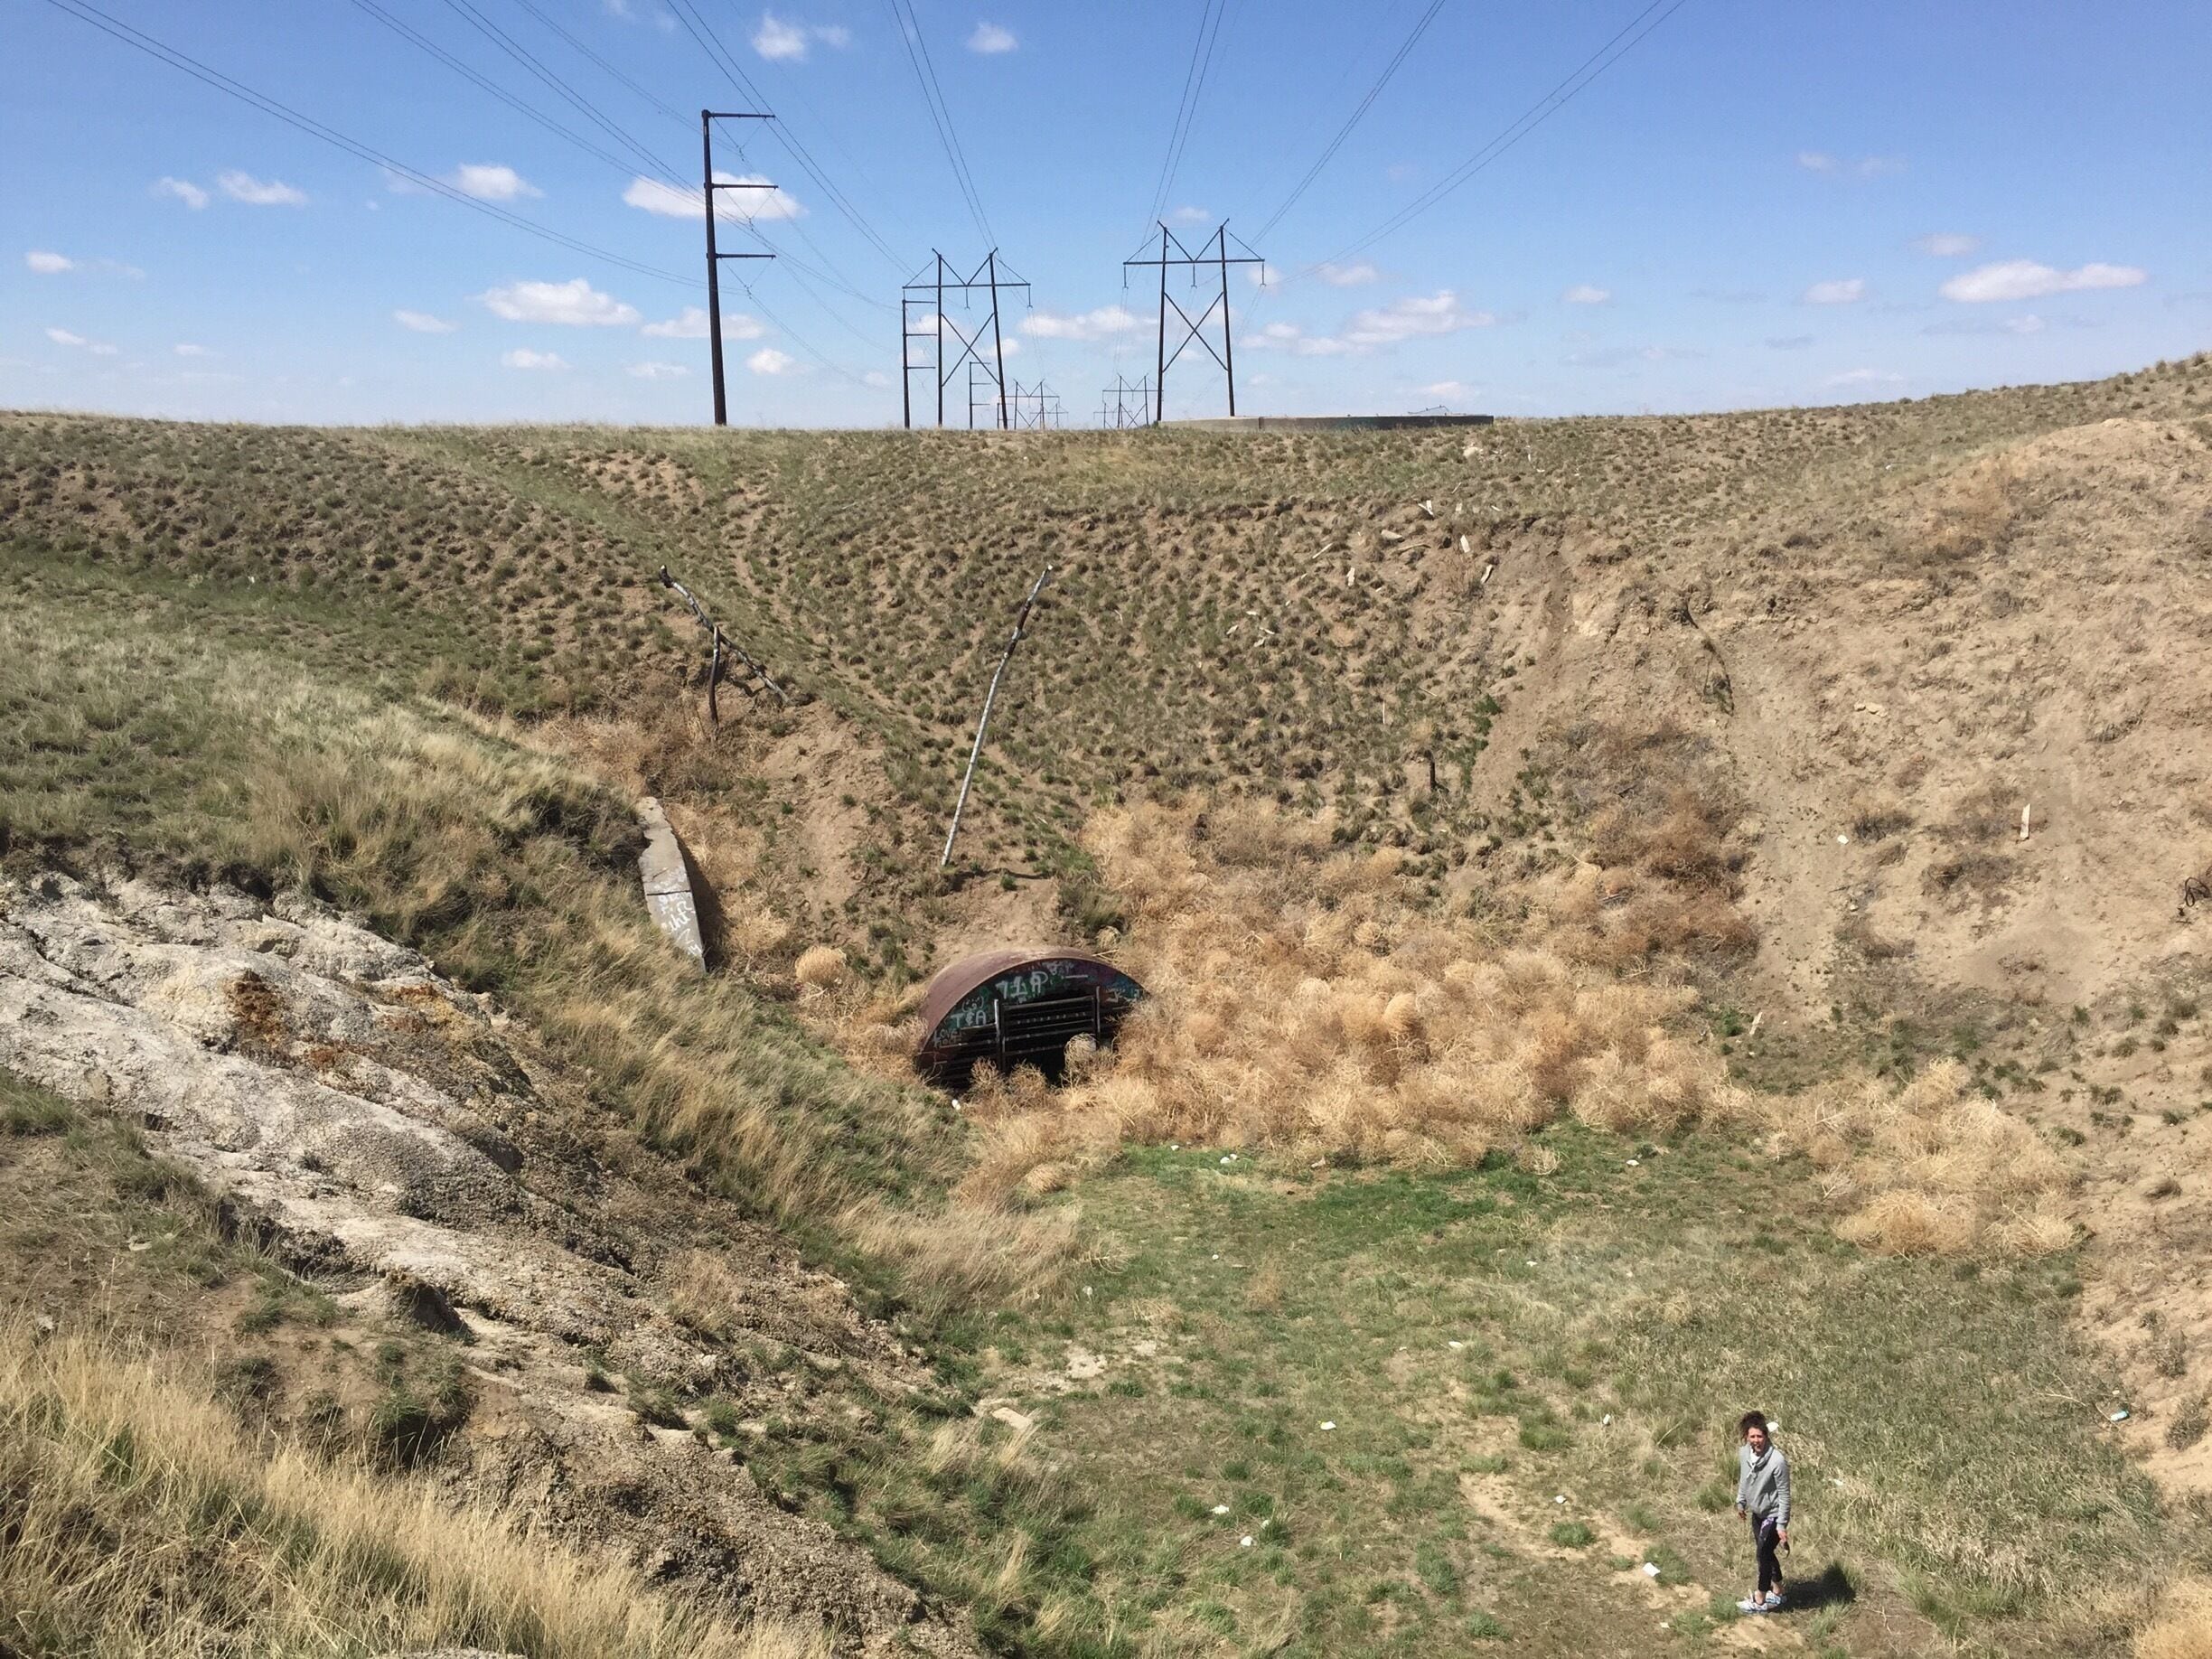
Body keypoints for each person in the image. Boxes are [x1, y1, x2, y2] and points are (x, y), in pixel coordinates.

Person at [1733, 1411, 1791, 1613]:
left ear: (1766, 1436)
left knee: (1763, 1554)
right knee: (1764, 1552)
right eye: (1752, 1436)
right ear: (1746, 1437)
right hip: (1757, 1513)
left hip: (1773, 1514)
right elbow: (1745, 1479)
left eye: (1760, 1436)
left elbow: (1784, 1495)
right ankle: (1779, 1591)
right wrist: (1741, 1502)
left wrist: (1782, 1525)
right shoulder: (1744, 1454)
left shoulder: (1777, 1461)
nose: (1756, 1440)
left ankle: (1759, 1599)